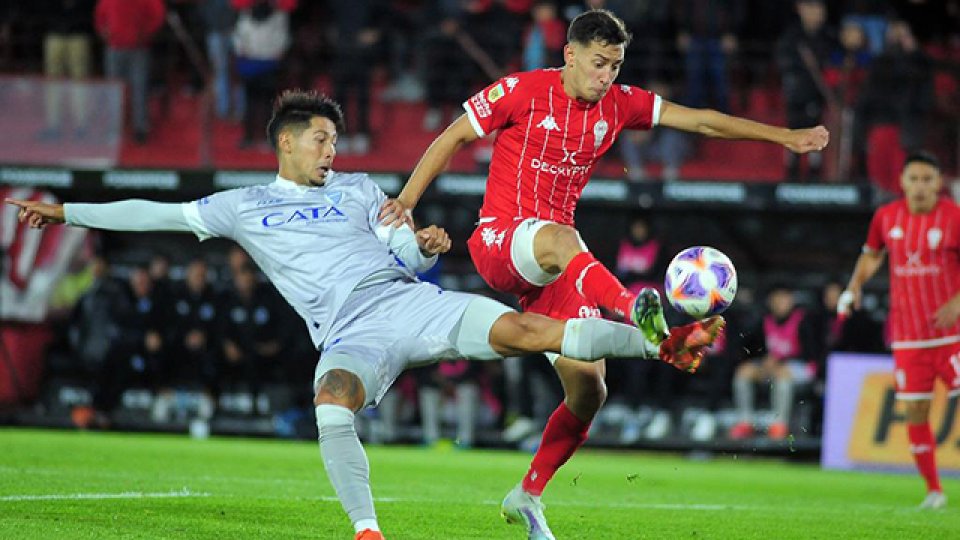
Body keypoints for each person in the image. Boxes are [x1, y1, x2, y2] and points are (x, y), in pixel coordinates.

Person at [7, 89, 724, 540]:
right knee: (332, 403)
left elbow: (401, 251)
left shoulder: (356, 189)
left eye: (333, 138)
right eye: (320, 137)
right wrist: (67, 210)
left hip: (406, 300)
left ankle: (655, 341)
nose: (332, 147)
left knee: (528, 333)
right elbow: (153, 214)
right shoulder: (239, 207)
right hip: (347, 333)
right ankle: (367, 531)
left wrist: (422, 246)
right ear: (286, 141)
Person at [379, 9, 828, 538]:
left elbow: (702, 120)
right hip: (502, 240)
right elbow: (453, 136)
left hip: (558, 265)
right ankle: (640, 311)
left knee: (590, 391)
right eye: (598, 63)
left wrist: (786, 137)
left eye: (615, 65)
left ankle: (527, 494)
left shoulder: (620, 104)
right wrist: (407, 200)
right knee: (564, 238)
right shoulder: (521, 90)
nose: (606, 76)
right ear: (569, 55)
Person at [838, 151, 960, 510]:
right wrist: (854, 287)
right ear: (902, 183)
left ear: (939, 183)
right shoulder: (886, 217)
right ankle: (934, 491)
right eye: (914, 179)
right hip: (908, 338)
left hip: (953, 337)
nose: (921, 186)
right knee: (916, 414)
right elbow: (872, 254)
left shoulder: (954, 217)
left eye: (928, 179)